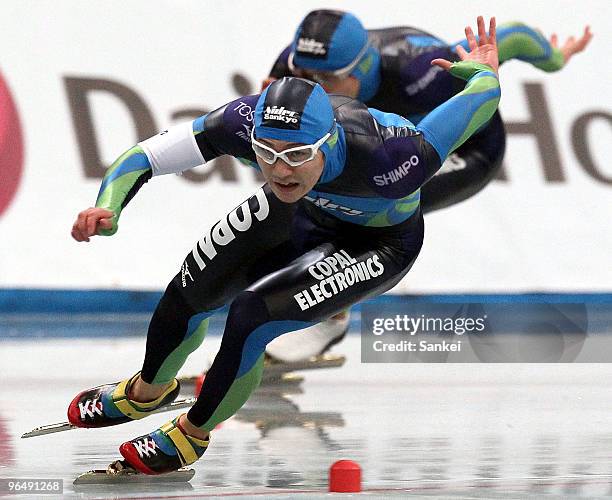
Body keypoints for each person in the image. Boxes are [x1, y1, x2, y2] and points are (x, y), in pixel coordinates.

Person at [68, 16, 500, 475]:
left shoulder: (391, 157)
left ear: (328, 142)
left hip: (379, 241)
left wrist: (483, 71)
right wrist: (108, 205)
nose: (280, 170)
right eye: (267, 154)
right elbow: (147, 157)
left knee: (251, 315)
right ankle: (145, 391)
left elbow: (480, 100)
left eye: (296, 156)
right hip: (302, 212)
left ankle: (190, 436)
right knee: (189, 290)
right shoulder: (240, 121)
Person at [262, 10, 593, 363]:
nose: (314, 86)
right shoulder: (293, 64)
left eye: (327, 77)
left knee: (363, 200)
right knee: (303, 192)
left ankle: (332, 316)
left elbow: (509, 37)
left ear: (362, 68)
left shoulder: (417, 66)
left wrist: (555, 59)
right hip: (379, 152)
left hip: (467, 152)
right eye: (305, 74)